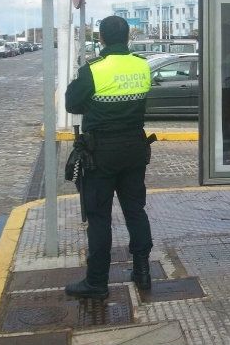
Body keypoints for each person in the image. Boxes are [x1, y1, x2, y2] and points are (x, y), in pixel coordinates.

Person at [64, 15, 153, 300]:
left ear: (101, 38)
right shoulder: (142, 65)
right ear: (127, 37)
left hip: (100, 153)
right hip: (134, 149)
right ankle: (142, 273)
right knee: (135, 211)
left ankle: (97, 282)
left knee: (100, 217)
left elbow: (72, 103)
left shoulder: (93, 69)